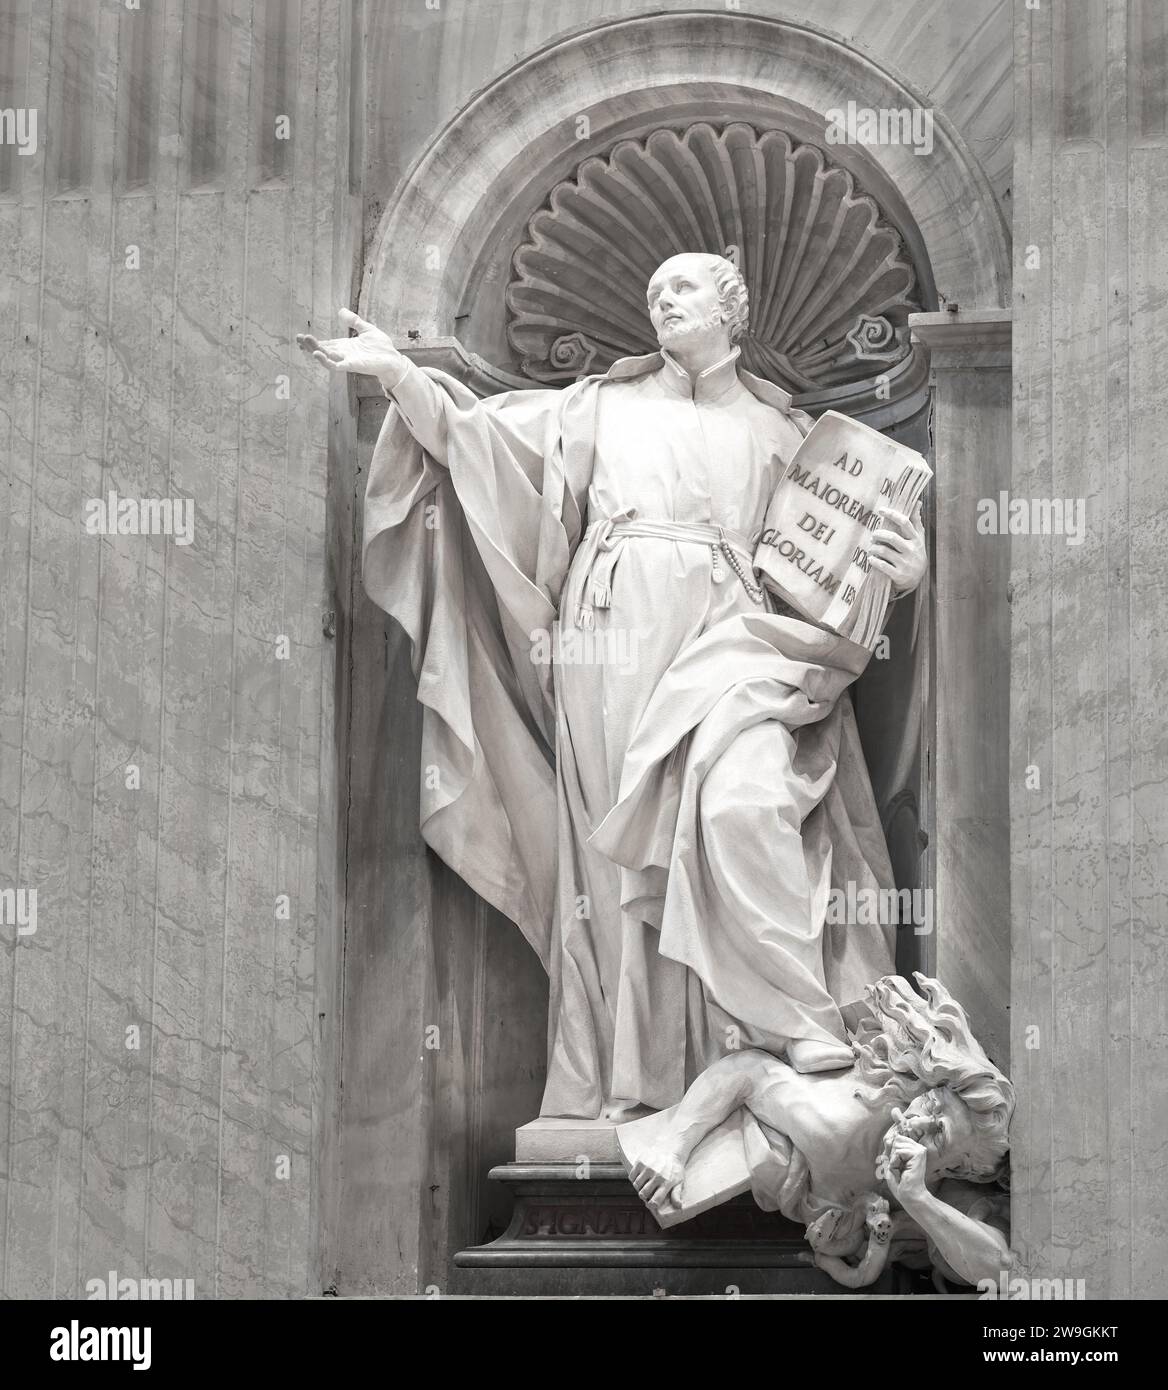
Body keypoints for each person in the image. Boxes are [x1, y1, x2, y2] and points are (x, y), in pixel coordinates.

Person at [297, 253, 927, 1119]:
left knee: (744, 798)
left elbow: (835, 574)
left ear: (732, 310)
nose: (661, 299)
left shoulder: (792, 437)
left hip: (740, 639)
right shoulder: (600, 407)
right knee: (618, 851)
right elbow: (479, 440)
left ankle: (780, 1024)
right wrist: (402, 374)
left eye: (683, 288)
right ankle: (645, 1079)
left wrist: (905, 575)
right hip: (610, 639)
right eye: (653, 288)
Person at [624, 974, 1014, 1289]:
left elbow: (1002, 1271)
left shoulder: (944, 1188)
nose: (917, 1122)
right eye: (930, 1104)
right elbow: (745, 1072)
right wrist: (673, 1150)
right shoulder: (838, 1124)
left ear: (955, 1169)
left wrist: (919, 1201)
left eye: (938, 1136)